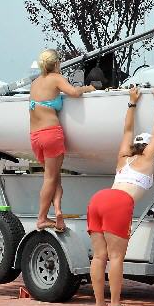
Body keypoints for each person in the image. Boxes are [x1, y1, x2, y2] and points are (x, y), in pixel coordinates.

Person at [87, 85, 154, 306]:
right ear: (149, 147)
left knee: (99, 256)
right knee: (116, 257)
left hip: (99, 198)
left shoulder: (123, 156)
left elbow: (127, 129)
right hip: (119, 202)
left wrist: (132, 102)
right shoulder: (149, 158)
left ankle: (99, 305)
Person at [29, 49, 95, 231]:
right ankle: (42, 218)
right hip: (51, 134)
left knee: (54, 177)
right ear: (56, 63)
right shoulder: (56, 78)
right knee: (50, 177)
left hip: (35, 136)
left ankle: (58, 211)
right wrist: (88, 88)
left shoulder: (35, 83)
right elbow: (73, 92)